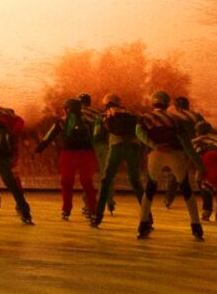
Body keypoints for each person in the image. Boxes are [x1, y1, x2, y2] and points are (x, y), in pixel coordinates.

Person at [140, 92, 205, 239]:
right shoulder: (174, 119)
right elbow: (185, 142)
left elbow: (139, 132)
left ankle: (143, 225)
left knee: (150, 188)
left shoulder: (145, 117)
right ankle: (196, 226)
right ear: (168, 104)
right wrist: (199, 164)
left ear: (153, 103)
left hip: (155, 154)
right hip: (175, 154)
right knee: (186, 188)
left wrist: (154, 145)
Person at [29, 97, 98, 221]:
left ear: (68, 109)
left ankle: (66, 210)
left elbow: (48, 137)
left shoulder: (61, 122)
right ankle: (93, 210)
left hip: (68, 155)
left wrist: (38, 150)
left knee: (66, 183)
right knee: (87, 183)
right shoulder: (90, 121)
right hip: (87, 154)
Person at [92, 96, 151, 235]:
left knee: (106, 180)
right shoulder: (131, 114)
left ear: (106, 103)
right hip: (133, 147)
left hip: (116, 147)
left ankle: (97, 216)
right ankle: (147, 218)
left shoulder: (104, 115)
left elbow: (97, 136)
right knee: (135, 182)